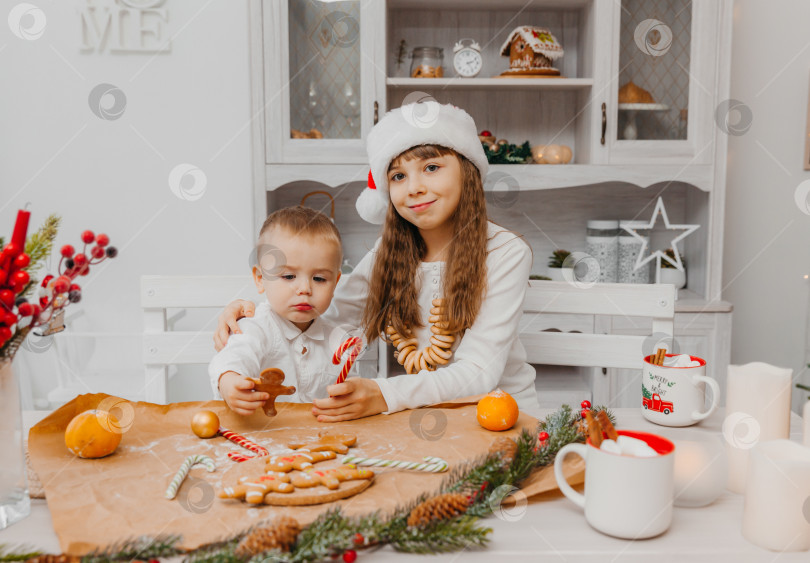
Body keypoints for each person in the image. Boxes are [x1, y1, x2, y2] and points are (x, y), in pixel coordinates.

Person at [214, 101, 539, 421]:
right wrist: (253, 312)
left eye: (431, 167)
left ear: (467, 172)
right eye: (398, 176)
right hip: (422, 417)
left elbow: (478, 372)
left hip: (500, 415)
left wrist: (384, 394)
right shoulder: (389, 254)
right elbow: (327, 312)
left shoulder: (505, 253)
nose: (414, 188)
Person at [209, 206, 344, 416]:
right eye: (289, 277)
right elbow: (234, 357)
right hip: (262, 436)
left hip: (317, 437)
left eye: (319, 279)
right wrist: (230, 382)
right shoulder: (256, 326)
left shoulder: (339, 340)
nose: (305, 289)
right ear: (260, 279)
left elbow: (348, 386)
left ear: (335, 283)